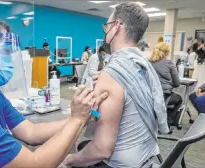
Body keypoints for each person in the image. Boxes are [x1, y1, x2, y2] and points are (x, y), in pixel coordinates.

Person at [0, 12, 108, 168]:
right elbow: (34, 165)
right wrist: (77, 120)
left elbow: (30, 131)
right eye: (3, 51)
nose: (9, 59)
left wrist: (83, 117)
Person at [60, 2, 168, 168]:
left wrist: (69, 160)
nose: (106, 30)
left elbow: (101, 150)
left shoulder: (112, 73)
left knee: (69, 153)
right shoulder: (142, 66)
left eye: (107, 25)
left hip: (119, 164)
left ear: (116, 26)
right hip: (147, 158)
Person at [150, 42, 183, 127]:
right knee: (179, 99)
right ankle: (168, 122)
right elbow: (177, 84)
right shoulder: (169, 64)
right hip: (163, 95)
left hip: (149, 95)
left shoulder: (148, 62)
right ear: (167, 53)